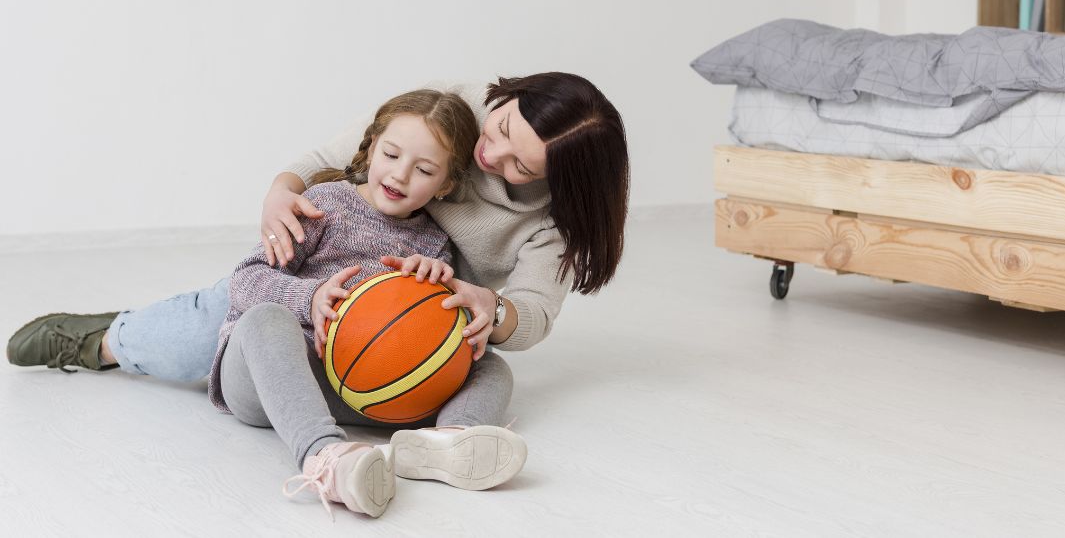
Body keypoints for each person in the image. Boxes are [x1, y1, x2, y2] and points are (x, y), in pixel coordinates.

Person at [6, 72, 631, 486]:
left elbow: (532, 312)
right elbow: (329, 165)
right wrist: (281, 196)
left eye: (518, 162)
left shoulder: (536, 229)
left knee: (489, 365)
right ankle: (107, 341)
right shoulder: (445, 118)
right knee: (222, 312)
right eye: (498, 129)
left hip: (384, 338)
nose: (489, 155)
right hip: (304, 305)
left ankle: (449, 445)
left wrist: (484, 306)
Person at [209, 88, 526, 518]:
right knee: (266, 319)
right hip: (275, 381)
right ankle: (324, 457)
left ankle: (448, 442)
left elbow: (433, 334)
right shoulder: (323, 206)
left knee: (487, 363)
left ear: (446, 184)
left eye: (424, 169)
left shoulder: (434, 244)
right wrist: (310, 296)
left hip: (366, 389)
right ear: (371, 147)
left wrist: (440, 291)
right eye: (391, 155)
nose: (399, 176)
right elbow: (245, 281)